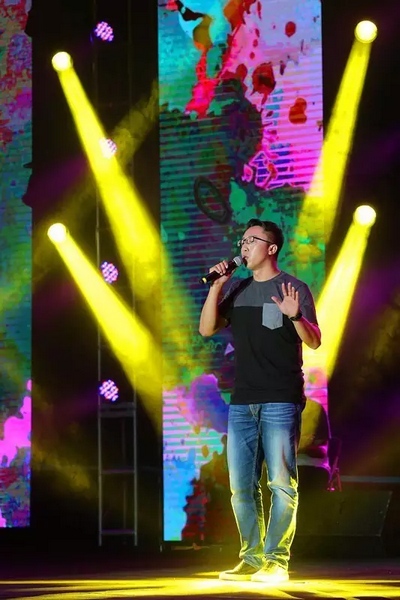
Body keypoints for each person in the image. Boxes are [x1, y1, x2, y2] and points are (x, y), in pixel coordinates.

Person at [199, 218, 321, 584]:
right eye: (242, 240)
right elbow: (206, 329)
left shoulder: (293, 288)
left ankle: (277, 561)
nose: (244, 246)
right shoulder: (237, 289)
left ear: (271, 248)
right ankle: (251, 558)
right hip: (242, 401)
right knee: (241, 487)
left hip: (281, 398)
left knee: (281, 483)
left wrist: (295, 315)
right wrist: (217, 286)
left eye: (252, 240)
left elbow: (314, 340)